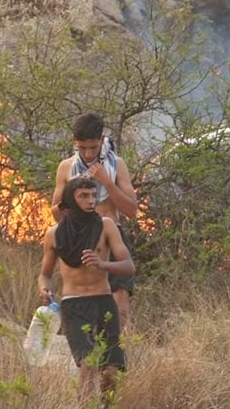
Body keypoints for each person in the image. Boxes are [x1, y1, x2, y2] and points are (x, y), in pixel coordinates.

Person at [39, 177, 136, 404]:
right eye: (83, 195)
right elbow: (44, 274)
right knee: (88, 363)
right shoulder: (54, 234)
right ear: (70, 199)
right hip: (74, 304)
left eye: (93, 195)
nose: (90, 200)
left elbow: (129, 267)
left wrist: (103, 264)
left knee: (110, 370)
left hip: (103, 301)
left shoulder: (106, 225)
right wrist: (44, 290)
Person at [51, 113, 138, 331]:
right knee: (83, 296)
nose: (88, 154)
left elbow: (131, 210)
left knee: (120, 297)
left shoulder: (117, 165)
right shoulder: (66, 167)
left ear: (101, 140)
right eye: (82, 148)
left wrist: (107, 182)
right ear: (75, 143)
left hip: (111, 232)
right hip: (79, 235)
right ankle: (88, 354)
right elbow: (55, 213)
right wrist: (73, 195)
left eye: (93, 147)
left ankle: (117, 352)